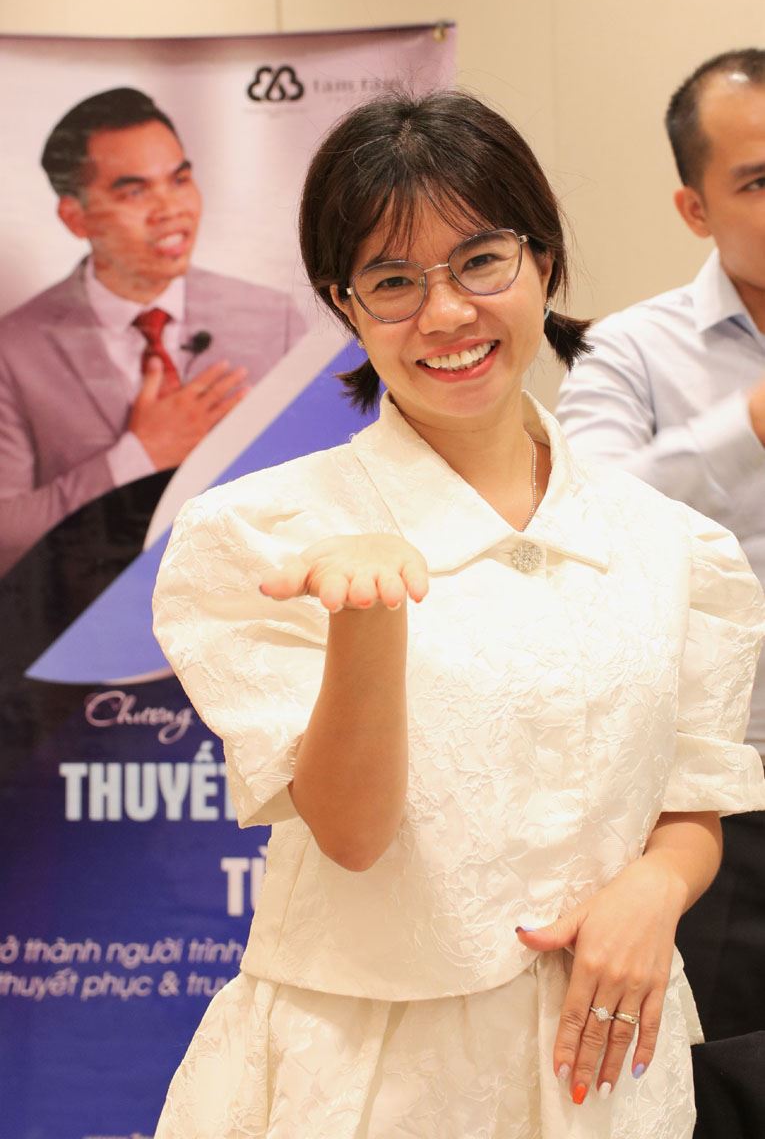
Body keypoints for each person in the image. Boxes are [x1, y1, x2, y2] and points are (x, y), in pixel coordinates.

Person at [151, 90, 765, 1138]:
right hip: (366, 1078)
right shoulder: (263, 533)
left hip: (606, 1064)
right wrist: (367, 615)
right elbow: (351, 834)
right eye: (393, 282)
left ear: (542, 262)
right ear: (346, 305)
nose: (444, 315)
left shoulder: (676, 546)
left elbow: (691, 803)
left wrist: (657, 888)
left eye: (481, 261)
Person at [556, 48, 765, 1042]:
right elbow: (580, 523)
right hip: (724, 804)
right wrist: (747, 426)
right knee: (725, 1076)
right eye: (758, 180)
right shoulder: (628, 350)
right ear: (694, 208)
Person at [0, 87, 307, 577]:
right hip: (89, 611)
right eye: (135, 192)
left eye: (179, 180)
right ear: (75, 217)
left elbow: (323, 481)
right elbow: (7, 536)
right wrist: (137, 456)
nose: (171, 209)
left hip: (253, 597)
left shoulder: (273, 319)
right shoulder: (14, 349)